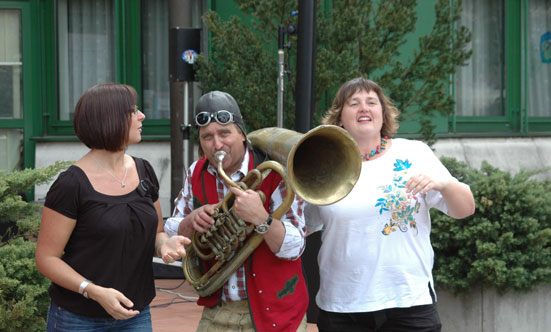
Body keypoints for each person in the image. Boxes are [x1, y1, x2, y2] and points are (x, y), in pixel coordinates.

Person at [304, 77, 476, 332]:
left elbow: (466, 209)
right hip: (342, 307)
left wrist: (443, 184)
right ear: (340, 118)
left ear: (383, 115)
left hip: (409, 301)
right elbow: (299, 230)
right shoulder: (323, 166)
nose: (364, 108)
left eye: (371, 102)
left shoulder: (414, 153)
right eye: (354, 103)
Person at [35, 83, 190, 332]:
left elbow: (157, 233)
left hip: (135, 314)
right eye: (133, 111)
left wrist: (164, 245)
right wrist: (93, 291)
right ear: (110, 120)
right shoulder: (71, 185)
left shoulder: (144, 171)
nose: (142, 116)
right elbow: (46, 259)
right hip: (78, 318)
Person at [164, 90, 309, 332]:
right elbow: (171, 229)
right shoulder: (196, 172)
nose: (217, 144)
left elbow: (294, 247)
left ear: (242, 134)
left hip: (276, 311)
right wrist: (190, 222)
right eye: (207, 137)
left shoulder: (275, 173)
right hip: (218, 309)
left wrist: (261, 218)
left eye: (224, 133)